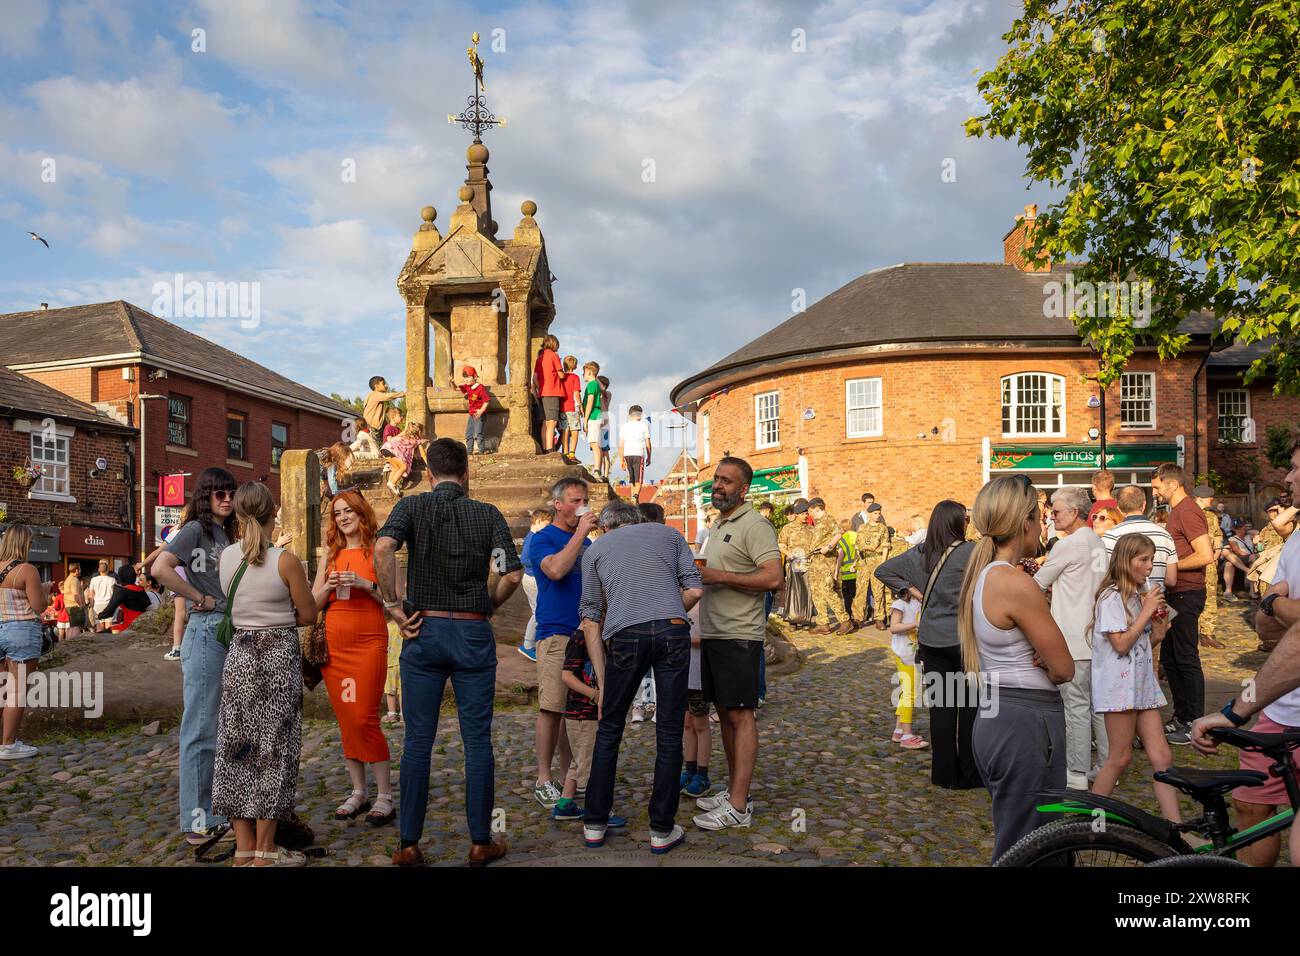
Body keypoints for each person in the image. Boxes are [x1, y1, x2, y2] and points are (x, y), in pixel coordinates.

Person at [376, 438, 522, 867]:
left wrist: (393, 605)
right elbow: (510, 575)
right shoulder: (487, 514)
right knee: (477, 740)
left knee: (418, 740)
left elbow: (383, 547)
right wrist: (488, 605)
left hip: (424, 630)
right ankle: (480, 841)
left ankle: (408, 844)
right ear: (466, 471)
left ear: (427, 471)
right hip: (472, 633)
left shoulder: (411, 508)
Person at [958, 475, 1074, 861]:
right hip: (1026, 720)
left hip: (998, 715)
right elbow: (1063, 668)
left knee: (1027, 840)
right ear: (1024, 522)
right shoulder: (1015, 582)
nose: (1043, 524)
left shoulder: (982, 574)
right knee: (1028, 849)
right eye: (1039, 516)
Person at [578, 498, 703, 853]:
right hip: (674, 630)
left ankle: (594, 823)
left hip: (625, 636)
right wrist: (666, 614)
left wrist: (603, 683)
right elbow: (694, 588)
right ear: (635, 520)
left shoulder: (595, 549)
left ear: (605, 527)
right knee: (668, 729)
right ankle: (662, 830)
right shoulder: (670, 534)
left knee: (610, 728)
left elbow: (590, 619)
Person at [1201, 437, 1300, 864]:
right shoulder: (1296, 542)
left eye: (1297, 468)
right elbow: (1266, 629)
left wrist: (1277, 604)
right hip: (1281, 705)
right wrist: (1276, 607)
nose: (1288, 478)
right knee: (1252, 808)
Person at [213, 482, 317, 866]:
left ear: (238, 515)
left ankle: (243, 848)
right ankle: (267, 850)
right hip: (277, 657)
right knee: (275, 749)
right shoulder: (284, 561)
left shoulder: (225, 558)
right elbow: (308, 615)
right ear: (274, 513)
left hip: (240, 655)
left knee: (236, 747)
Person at [692, 457, 783, 832]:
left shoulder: (755, 525)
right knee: (726, 714)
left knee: (741, 716)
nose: (718, 485)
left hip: (739, 635)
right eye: (716, 479)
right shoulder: (719, 523)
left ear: (744, 489)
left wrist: (717, 576)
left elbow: (773, 578)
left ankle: (740, 806)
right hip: (715, 633)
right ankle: (732, 791)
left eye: (726, 481)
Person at [151, 467, 240, 845]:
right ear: (205, 496)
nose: (225, 499)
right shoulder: (195, 530)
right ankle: (196, 820)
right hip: (206, 631)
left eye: (230, 492)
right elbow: (160, 568)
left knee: (220, 726)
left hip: (227, 629)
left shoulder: (227, 533)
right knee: (200, 727)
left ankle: (216, 811)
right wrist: (198, 598)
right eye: (218, 493)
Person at [876, 500, 982, 789]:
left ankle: (944, 774)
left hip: (931, 639)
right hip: (964, 638)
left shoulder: (919, 553)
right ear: (958, 523)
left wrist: (912, 592)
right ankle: (970, 773)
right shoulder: (971, 553)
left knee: (942, 709)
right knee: (969, 707)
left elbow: (882, 570)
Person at [311, 490, 394, 827]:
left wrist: (364, 583)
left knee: (365, 718)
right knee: (347, 719)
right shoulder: (328, 556)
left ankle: (385, 795)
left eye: (348, 511)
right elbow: (311, 604)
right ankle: (359, 791)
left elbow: (393, 602)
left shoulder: (379, 552)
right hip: (336, 647)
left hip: (369, 643)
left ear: (362, 514)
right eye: (337, 513)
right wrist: (328, 588)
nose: (343, 517)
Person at [1088, 534, 1182, 821]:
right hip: (1118, 688)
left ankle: (1175, 825)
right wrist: (1146, 612)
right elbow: (1120, 645)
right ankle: (1088, 823)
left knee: (1162, 757)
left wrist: (1157, 634)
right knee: (1120, 757)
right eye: (1143, 560)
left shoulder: (1135, 597)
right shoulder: (1112, 597)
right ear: (1125, 561)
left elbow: (1137, 646)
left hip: (1140, 684)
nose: (1149, 566)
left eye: (1151, 560)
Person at [1033, 486, 1109, 790]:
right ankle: (1105, 765)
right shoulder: (1096, 542)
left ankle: (1077, 772)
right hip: (1096, 634)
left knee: (1075, 706)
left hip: (1072, 636)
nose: (1052, 515)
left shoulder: (1068, 545)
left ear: (1074, 513)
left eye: (1056, 510)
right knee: (1098, 706)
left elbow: (1037, 584)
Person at [529, 478, 596, 808]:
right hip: (555, 633)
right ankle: (543, 776)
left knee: (577, 710)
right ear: (557, 504)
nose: (581, 505)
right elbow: (555, 570)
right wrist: (582, 534)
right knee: (552, 707)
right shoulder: (543, 539)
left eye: (584, 499)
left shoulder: (588, 542)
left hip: (586, 634)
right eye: (574, 500)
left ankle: (573, 776)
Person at [1151, 463, 1214, 745]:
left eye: (1156, 486)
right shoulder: (1177, 511)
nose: (1155, 492)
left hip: (1188, 593)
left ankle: (1194, 722)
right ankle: (1181, 715)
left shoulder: (1188, 510)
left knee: (1186, 658)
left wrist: (1168, 568)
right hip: (1175, 593)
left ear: (1172, 484)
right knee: (1170, 659)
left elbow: (1205, 555)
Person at [0, 525, 48, 759]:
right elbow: (39, 606)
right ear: (24, 543)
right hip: (20, 631)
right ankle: (8, 745)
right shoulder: (27, 570)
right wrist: (45, 591)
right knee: (16, 692)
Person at [1103, 485, 1179, 591]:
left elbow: (1106, 574)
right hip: (1155, 599)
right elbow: (1171, 580)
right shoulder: (1165, 535)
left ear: (1119, 509)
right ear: (1144, 505)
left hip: (1124, 601)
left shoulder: (1111, 535)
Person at [887, 590, 927, 750]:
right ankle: (907, 735)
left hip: (914, 654)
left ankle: (898, 731)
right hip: (903, 654)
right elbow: (894, 627)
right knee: (910, 694)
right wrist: (915, 625)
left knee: (909, 691)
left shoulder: (920, 603)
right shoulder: (900, 604)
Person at [1193, 483, 1226, 647]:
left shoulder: (1211, 516)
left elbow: (1218, 534)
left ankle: (1207, 634)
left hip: (1210, 562)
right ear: (1199, 499)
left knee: (1210, 596)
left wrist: (1218, 551)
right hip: (1194, 562)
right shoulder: (1189, 515)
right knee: (1193, 596)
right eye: (1209, 498)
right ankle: (1192, 631)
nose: (1212, 500)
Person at [805, 498, 845, 634]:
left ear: (816, 508)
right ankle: (823, 623)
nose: (809, 514)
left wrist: (829, 546)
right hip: (816, 561)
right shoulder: (819, 523)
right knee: (816, 592)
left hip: (826, 562)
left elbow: (839, 533)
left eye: (809, 511)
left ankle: (845, 621)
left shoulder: (828, 519)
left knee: (827, 591)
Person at [518, 508, 553, 662]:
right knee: (538, 612)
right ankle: (527, 645)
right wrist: (540, 564)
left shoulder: (534, 536)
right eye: (546, 525)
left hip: (533, 578)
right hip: (532, 579)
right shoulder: (533, 538)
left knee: (540, 610)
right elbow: (524, 559)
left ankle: (535, 642)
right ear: (538, 522)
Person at [852, 503, 890, 629]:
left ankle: (879, 618)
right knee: (860, 590)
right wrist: (855, 562)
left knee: (878, 591)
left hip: (877, 559)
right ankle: (858, 618)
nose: (878, 515)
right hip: (864, 561)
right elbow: (857, 546)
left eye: (879, 513)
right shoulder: (862, 528)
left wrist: (883, 563)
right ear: (869, 514)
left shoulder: (882, 528)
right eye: (875, 513)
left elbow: (885, 546)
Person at [777, 499, 813, 626]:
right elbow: (781, 545)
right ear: (797, 514)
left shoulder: (810, 528)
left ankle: (805, 617)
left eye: (807, 513)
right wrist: (789, 554)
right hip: (794, 563)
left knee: (806, 590)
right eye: (803, 513)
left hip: (807, 563)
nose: (806, 516)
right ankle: (792, 620)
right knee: (793, 591)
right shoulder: (788, 528)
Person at [533, 334, 566, 454]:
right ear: (554, 344)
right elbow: (561, 375)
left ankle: (545, 448)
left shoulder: (539, 358)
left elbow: (535, 379)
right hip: (552, 391)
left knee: (545, 422)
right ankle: (550, 449)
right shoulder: (554, 355)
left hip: (542, 393)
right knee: (552, 422)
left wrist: (540, 387)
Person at [97, 564, 153, 633]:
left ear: (121, 577)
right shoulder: (141, 589)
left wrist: (100, 616)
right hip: (142, 623)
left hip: (130, 626)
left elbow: (110, 609)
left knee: (104, 633)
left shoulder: (122, 590)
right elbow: (147, 604)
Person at [381, 421, 425, 497]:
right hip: (391, 449)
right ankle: (393, 483)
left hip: (385, 448)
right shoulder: (415, 440)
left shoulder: (405, 434)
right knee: (404, 467)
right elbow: (423, 454)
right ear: (419, 432)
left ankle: (390, 482)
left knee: (396, 467)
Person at [452, 366, 490, 455]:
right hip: (471, 414)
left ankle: (481, 451)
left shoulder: (480, 388)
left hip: (479, 414)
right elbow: (455, 389)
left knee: (478, 434)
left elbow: (486, 401)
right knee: (469, 434)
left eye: (468, 377)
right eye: (465, 377)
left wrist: (480, 411)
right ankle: (469, 451)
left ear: (475, 377)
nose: (466, 379)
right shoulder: (467, 387)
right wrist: (452, 383)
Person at [619, 405, 652, 500]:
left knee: (632, 479)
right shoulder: (643, 426)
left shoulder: (624, 426)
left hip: (627, 454)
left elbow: (621, 444)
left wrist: (621, 460)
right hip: (638, 453)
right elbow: (648, 444)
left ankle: (634, 498)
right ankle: (636, 496)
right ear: (640, 415)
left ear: (629, 415)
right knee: (639, 479)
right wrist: (649, 456)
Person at [1222, 519, 1255, 601]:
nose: (1241, 528)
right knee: (1229, 564)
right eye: (1239, 527)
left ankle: (1252, 591)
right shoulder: (1232, 539)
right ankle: (1228, 591)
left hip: (1249, 557)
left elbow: (1257, 532)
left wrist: (1248, 531)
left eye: (1242, 526)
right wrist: (1249, 555)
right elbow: (1238, 551)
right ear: (1235, 529)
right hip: (1240, 557)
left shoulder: (1248, 536)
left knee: (1253, 560)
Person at [581, 361, 605, 477]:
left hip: (593, 416)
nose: (583, 375)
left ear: (589, 372)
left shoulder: (591, 384)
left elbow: (590, 402)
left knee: (594, 444)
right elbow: (603, 389)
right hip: (597, 416)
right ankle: (597, 469)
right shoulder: (596, 384)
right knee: (595, 443)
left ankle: (597, 470)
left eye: (584, 372)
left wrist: (585, 420)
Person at [560, 355, 583, 464]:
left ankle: (565, 452)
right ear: (574, 366)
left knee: (565, 430)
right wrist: (581, 406)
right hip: (572, 407)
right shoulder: (575, 378)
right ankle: (572, 454)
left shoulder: (561, 377)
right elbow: (576, 393)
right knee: (575, 431)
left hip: (562, 407)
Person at [58, 562, 87, 639]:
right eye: (79, 569)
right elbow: (76, 595)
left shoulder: (67, 579)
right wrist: (81, 605)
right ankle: (74, 645)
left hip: (69, 606)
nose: (80, 571)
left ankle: (69, 645)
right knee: (76, 628)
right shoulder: (74, 580)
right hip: (75, 606)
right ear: (76, 570)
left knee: (71, 627)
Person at [838, 518, 858, 625]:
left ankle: (849, 617)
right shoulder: (856, 535)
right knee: (856, 595)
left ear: (842, 528)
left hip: (846, 571)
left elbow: (841, 556)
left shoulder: (842, 539)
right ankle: (857, 617)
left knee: (847, 596)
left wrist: (837, 569)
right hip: (857, 569)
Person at [88, 560, 116, 633]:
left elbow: (91, 594)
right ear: (107, 570)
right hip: (109, 605)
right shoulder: (112, 580)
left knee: (99, 628)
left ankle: (99, 643)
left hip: (97, 605)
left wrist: (91, 605)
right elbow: (114, 594)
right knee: (109, 628)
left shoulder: (93, 580)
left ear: (98, 570)